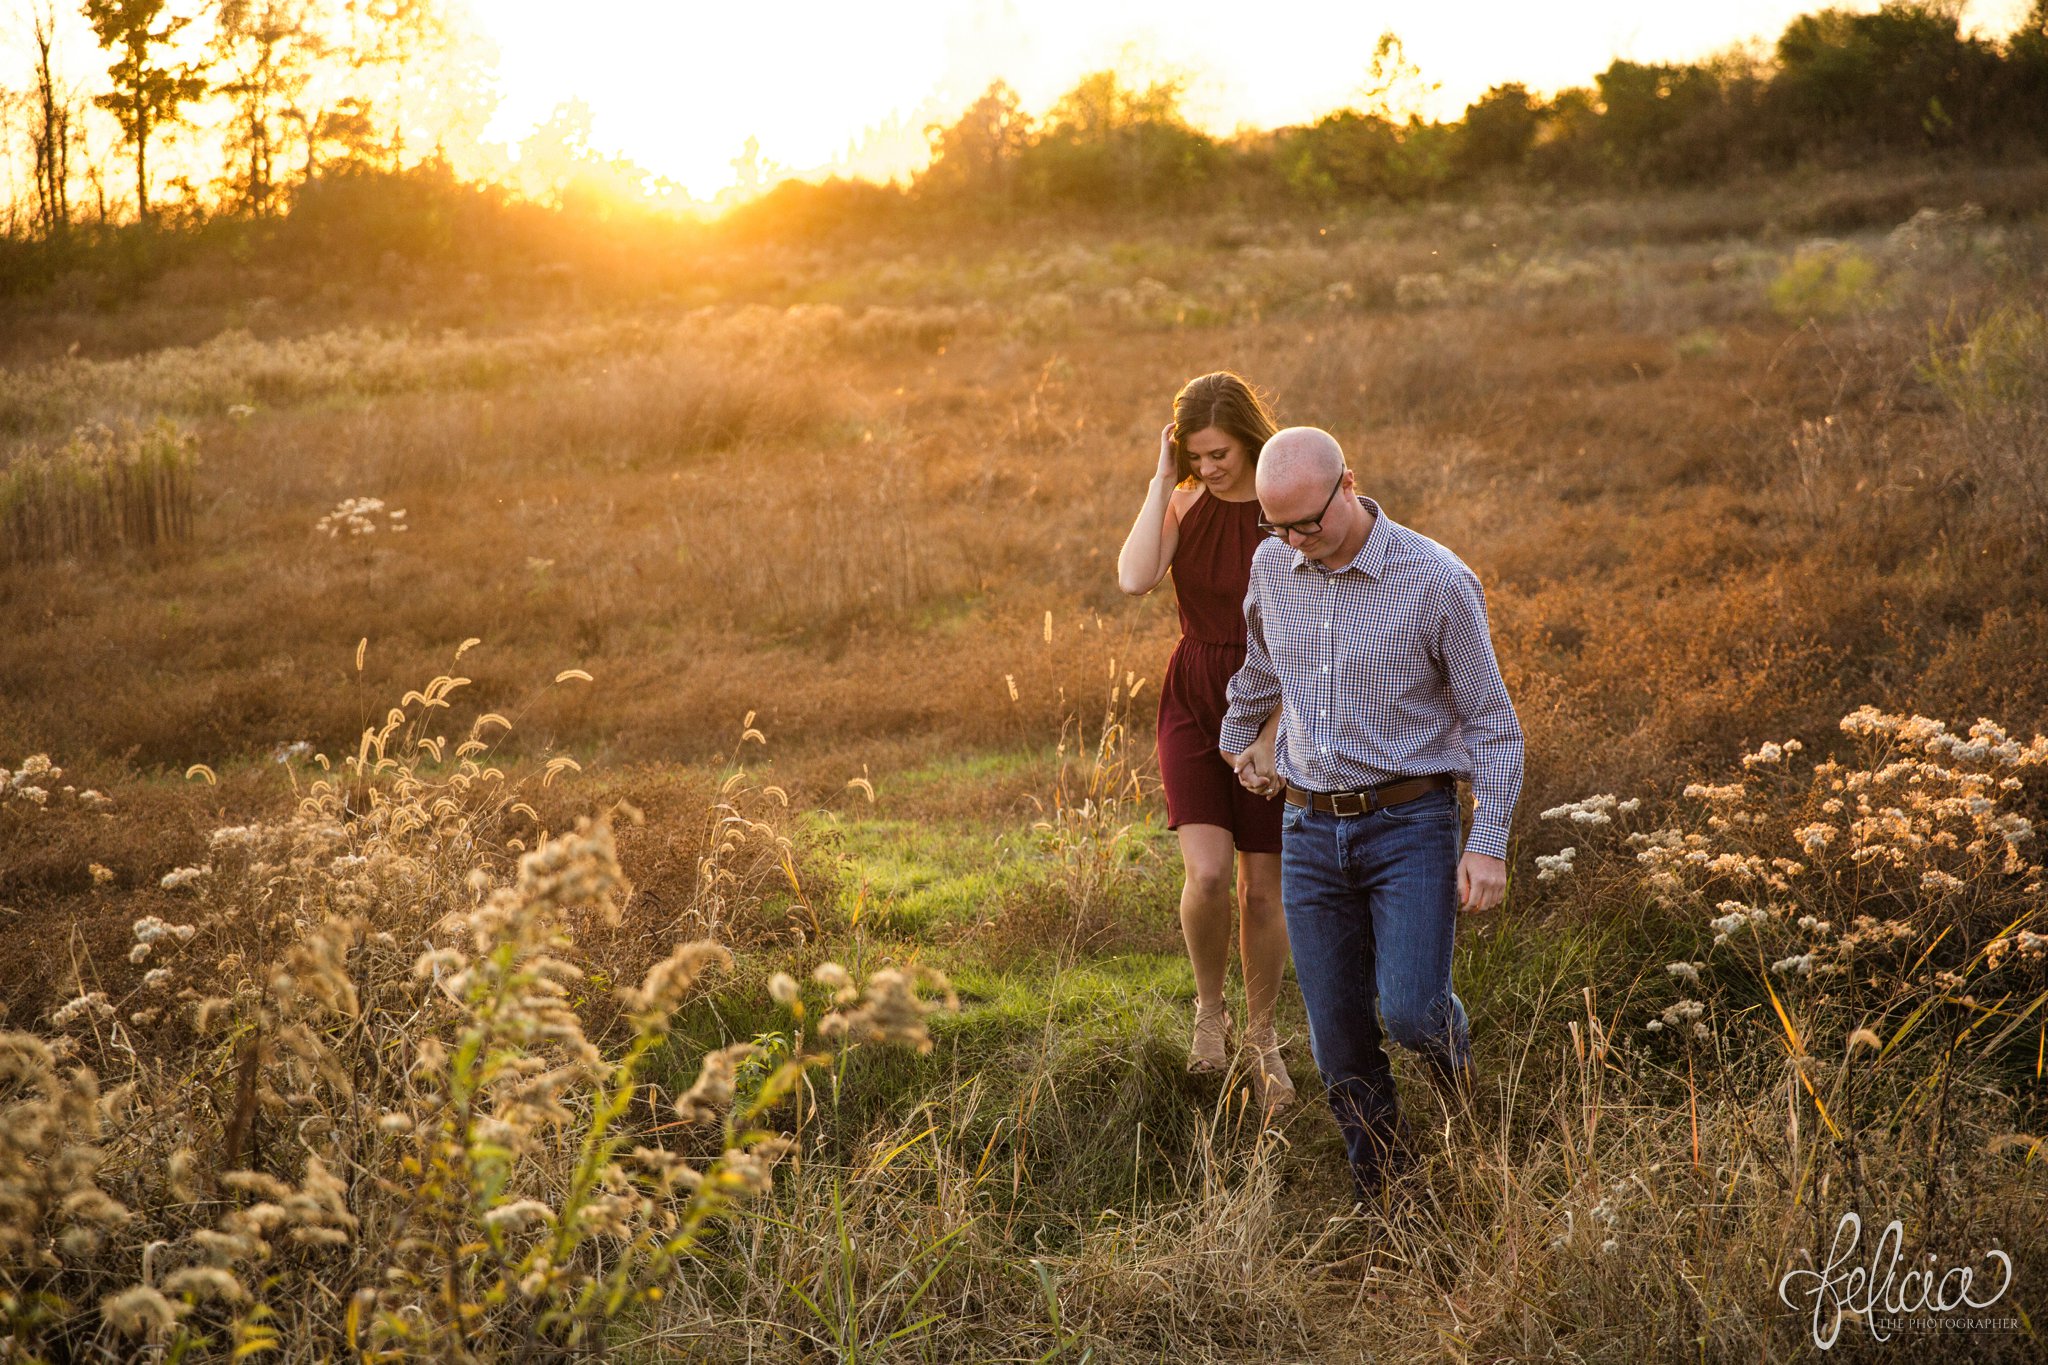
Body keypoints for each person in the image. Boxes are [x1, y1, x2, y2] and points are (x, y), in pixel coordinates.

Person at [1219, 426, 1523, 1203]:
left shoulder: (1437, 581)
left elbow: (1492, 723)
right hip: (1308, 829)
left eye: (1307, 523)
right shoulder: (1272, 564)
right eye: (1275, 525)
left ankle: (1454, 1067)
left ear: (1347, 483)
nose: (1293, 540)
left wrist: (1486, 841)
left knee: (1414, 1011)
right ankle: (1387, 1195)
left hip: (1409, 823)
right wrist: (1238, 745)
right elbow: (1261, 665)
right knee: (1340, 1041)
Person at [1116, 372, 1295, 1111]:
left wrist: (1276, 734)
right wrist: (1163, 480)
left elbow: (1317, 629)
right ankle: (1209, 1014)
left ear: (1249, 438)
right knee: (1211, 874)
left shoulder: (1289, 504)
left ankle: (1263, 1036)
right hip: (1193, 695)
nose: (1210, 466)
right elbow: (1134, 577)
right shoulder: (1185, 501)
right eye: (1196, 453)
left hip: (1275, 699)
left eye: (1219, 453)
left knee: (1262, 889)